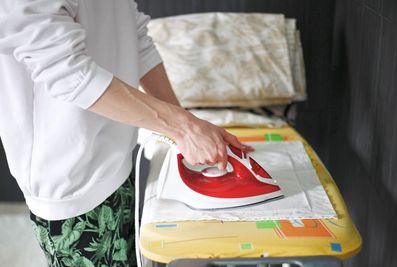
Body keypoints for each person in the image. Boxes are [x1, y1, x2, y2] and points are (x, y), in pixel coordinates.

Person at [0, 0, 252, 266]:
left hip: (118, 161)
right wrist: (183, 127)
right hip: (70, 187)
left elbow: (134, 37)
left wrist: (188, 128)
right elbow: (67, 72)